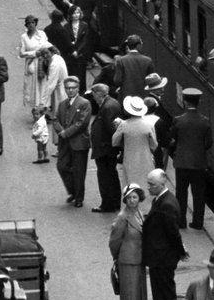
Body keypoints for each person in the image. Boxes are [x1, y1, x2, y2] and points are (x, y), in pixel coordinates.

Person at [143, 169, 188, 300]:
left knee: (164, 296)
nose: (148, 187)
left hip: (163, 259)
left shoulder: (167, 204)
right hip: (159, 257)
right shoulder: (162, 199)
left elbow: (173, 233)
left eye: (151, 185)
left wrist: (181, 251)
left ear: (162, 184)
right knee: (160, 294)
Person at [109, 183, 150, 300]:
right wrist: (118, 257)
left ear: (139, 198)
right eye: (129, 198)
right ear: (125, 199)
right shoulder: (122, 217)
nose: (132, 200)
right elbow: (114, 241)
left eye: (135, 197)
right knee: (132, 294)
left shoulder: (139, 212)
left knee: (132, 293)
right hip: (127, 261)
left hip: (138, 260)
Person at [170, 88, 213, 230]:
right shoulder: (205, 122)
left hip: (181, 162)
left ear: (185, 101)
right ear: (199, 101)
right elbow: (209, 143)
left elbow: (174, 138)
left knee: (181, 194)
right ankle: (198, 223)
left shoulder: (178, 120)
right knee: (199, 195)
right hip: (199, 163)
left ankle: (181, 222)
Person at [53, 76, 91, 207]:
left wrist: (66, 132)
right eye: (67, 88)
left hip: (79, 142)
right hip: (65, 142)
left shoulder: (84, 103)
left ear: (78, 88)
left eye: (72, 88)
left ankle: (79, 197)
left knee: (79, 171)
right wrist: (60, 131)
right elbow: (56, 120)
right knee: (61, 166)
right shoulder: (62, 104)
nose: (70, 91)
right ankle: (73, 191)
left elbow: (82, 123)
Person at [90, 83, 123, 213]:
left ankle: (107, 204)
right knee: (111, 175)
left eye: (94, 96)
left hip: (105, 149)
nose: (94, 98)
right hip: (108, 148)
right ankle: (115, 201)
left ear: (99, 94)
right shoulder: (111, 103)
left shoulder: (107, 107)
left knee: (105, 177)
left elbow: (111, 129)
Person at [113, 96, 158, 186]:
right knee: (145, 185)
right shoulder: (148, 125)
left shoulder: (124, 125)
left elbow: (115, 142)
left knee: (131, 185)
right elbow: (154, 145)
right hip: (146, 160)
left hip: (129, 161)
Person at [17, 14, 48, 108]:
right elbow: (21, 53)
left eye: (33, 22)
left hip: (42, 62)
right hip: (31, 63)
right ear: (26, 25)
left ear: (36, 23)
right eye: (29, 23)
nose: (31, 25)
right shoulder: (24, 37)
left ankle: (43, 106)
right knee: (32, 86)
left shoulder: (42, 34)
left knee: (43, 83)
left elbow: (47, 46)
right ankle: (34, 107)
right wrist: (34, 53)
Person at [114, 35, 155, 101]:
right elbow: (152, 79)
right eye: (141, 44)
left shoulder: (120, 61)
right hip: (143, 96)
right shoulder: (148, 60)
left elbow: (117, 80)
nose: (142, 46)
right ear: (138, 46)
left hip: (126, 97)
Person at [144, 74, 172, 170]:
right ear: (153, 90)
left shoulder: (152, 100)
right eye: (159, 88)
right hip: (159, 142)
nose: (162, 89)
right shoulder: (154, 103)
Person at [38, 44, 68, 115]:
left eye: (47, 53)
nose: (45, 56)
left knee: (59, 116)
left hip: (59, 93)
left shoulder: (54, 64)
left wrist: (42, 103)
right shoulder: (58, 58)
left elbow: (50, 85)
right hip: (62, 89)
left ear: (52, 51)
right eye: (43, 54)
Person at [66, 5, 91, 88]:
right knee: (71, 74)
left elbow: (85, 41)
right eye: (74, 13)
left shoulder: (84, 25)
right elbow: (66, 40)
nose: (77, 15)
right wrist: (73, 51)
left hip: (81, 55)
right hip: (71, 54)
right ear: (70, 15)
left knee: (81, 75)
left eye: (78, 13)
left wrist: (78, 52)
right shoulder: (66, 26)